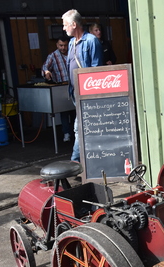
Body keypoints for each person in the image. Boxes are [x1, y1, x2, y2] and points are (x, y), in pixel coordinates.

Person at [62, 9, 103, 162]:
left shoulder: (91, 41)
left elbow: (96, 69)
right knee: (84, 127)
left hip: (87, 93)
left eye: (65, 24)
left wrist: (90, 94)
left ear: (74, 24)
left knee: (78, 128)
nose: (64, 28)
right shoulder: (72, 42)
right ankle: (89, 160)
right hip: (75, 92)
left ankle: (75, 160)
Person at [41, 35, 74, 143]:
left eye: (65, 45)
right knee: (64, 112)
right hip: (61, 87)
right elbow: (45, 67)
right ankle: (66, 133)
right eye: (61, 45)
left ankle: (76, 133)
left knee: (75, 111)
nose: (63, 48)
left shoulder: (73, 53)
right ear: (57, 45)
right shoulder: (53, 56)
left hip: (74, 85)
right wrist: (46, 72)